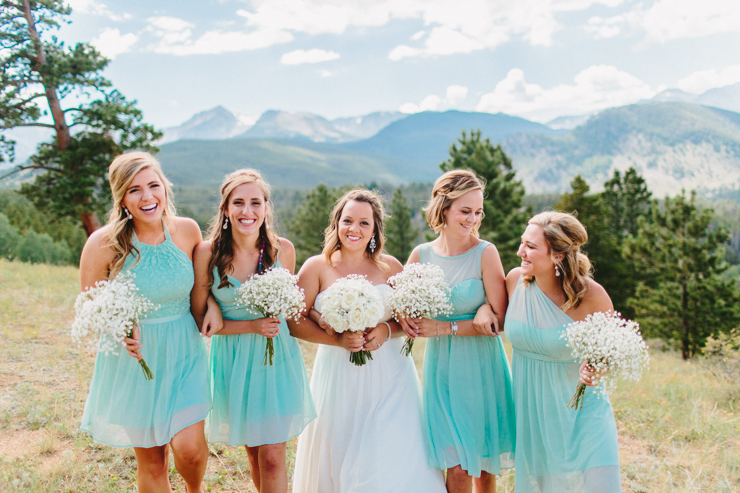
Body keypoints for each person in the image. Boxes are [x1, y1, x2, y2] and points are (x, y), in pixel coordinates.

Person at [290, 189, 446, 493]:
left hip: (390, 375)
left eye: (364, 223)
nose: (354, 229)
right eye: (348, 220)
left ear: (375, 230)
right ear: (336, 224)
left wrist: (386, 330)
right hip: (338, 376)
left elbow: (408, 323)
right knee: (342, 446)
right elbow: (295, 321)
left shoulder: (392, 268)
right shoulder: (316, 267)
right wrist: (336, 340)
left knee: (386, 450)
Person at [79, 152, 212, 493]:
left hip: (184, 352)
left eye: (154, 185)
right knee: (152, 461)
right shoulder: (103, 243)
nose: (148, 196)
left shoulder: (187, 231)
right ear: (122, 197)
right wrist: (121, 328)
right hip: (136, 360)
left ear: (165, 188)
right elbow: (91, 306)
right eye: (135, 189)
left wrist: (211, 307)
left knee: (190, 449)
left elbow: (200, 289)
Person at [191, 169, 315, 493]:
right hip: (234, 360)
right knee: (254, 451)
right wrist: (242, 321)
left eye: (255, 202)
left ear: (266, 208)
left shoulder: (282, 250)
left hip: (276, 360)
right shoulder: (207, 254)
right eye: (239, 203)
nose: (248, 211)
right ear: (226, 209)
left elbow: (292, 307)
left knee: (273, 456)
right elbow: (201, 320)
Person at [400, 169, 515, 493]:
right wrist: (405, 318)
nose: (473, 219)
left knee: (483, 466)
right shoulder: (420, 255)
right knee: (457, 469)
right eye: (466, 211)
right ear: (444, 209)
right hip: (442, 370)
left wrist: (452, 323)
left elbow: (500, 321)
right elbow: (401, 304)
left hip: (481, 367)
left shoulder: (485, 252)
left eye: (478, 211)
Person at [503, 211, 621, 492]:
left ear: (557, 255)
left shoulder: (592, 296)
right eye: (523, 243)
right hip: (535, 412)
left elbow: (611, 351)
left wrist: (597, 369)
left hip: (583, 411)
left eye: (530, 247)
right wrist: (484, 309)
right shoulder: (513, 281)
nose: (521, 251)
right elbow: (492, 313)